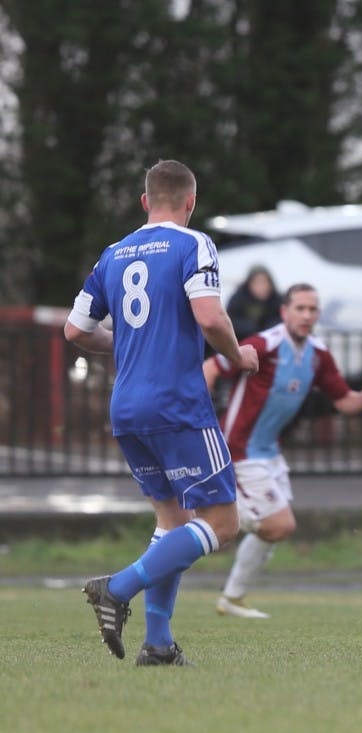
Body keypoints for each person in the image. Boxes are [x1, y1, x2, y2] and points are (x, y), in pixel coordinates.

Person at [64, 159, 259, 665]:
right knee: (223, 521)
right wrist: (238, 357)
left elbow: (76, 330)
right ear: (190, 203)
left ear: (145, 202)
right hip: (177, 404)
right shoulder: (193, 244)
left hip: (127, 407)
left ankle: (158, 645)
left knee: (173, 522)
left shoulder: (114, 252)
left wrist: (126, 343)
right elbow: (210, 316)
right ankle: (119, 586)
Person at [204, 282, 362, 618]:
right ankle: (209, 522)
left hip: (269, 454)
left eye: (312, 309)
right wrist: (200, 424)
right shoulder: (264, 345)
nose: (307, 315)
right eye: (300, 308)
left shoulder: (318, 356)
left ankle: (232, 598)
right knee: (279, 525)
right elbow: (210, 368)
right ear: (284, 312)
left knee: (273, 531)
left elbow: (346, 403)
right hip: (237, 452)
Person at [226, 265, 282, 341]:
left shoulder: (277, 300)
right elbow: (230, 321)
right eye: (257, 282)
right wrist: (252, 328)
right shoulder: (238, 300)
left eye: (265, 282)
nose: (262, 287)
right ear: (249, 284)